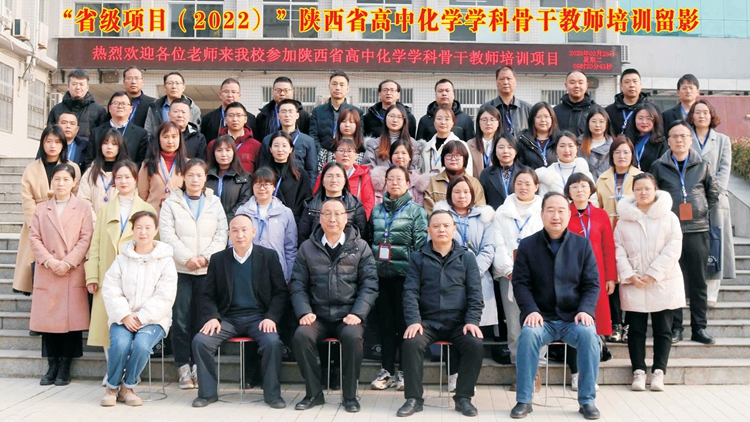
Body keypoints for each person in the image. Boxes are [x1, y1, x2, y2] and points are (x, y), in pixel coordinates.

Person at [509, 192, 601, 420]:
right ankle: (524, 400)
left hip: (573, 318)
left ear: (569, 215)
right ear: (541, 214)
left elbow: (592, 284)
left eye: (561, 211)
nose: (556, 216)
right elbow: (520, 284)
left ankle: (587, 400)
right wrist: (531, 310)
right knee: (528, 335)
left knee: (589, 335)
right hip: (542, 318)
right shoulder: (528, 246)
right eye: (550, 210)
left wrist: (585, 310)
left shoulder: (582, 245)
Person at [290, 199, 379, 413]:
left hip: (348, 315)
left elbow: (370, 285)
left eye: (338, 214)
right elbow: (297, 284)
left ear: (346, 218)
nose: (332, 218)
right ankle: (313, 394)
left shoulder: (360, 247)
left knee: (352, 338)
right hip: (317, 316)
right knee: (301, 336)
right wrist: (304, 312)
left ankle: (349, 396)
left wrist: (358, 313)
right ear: (320, 218)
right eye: (327, 214)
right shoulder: (307, 248)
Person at [191, 214, 288, 408]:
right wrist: (212, 317)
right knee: (201, 341)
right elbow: (207, 295)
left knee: (272, 343)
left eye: (244, 230)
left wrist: (271, 317)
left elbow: (280, 292)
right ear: (229, 234)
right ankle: (207, 394)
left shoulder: (268, 256)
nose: (240, 235)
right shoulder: (219, 259)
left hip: (259, 318)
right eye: (235, 230)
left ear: (253, 232)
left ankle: (272, 395)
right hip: (228, 318)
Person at [397, 210, 485, 417]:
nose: (441, 230)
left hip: (458, 322)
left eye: (446, 225)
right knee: (411, 343)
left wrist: (472, 321)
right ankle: (414, 399)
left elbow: (475, 294)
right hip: (427, 321)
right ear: (429, 230)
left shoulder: (467, 258)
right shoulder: (418, 258)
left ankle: (463, 398)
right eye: (436, 226)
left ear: (454, 229)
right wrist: (414, 320)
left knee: (475, 343)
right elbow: (410, 292)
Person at [85, 160, 157, 384]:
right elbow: (95, 244)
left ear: (136, 179)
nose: (123, 181)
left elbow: (155, 247)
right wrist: (92, 275)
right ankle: (113, 370)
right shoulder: (105, 210)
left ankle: (131, 372)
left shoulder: (147, 209)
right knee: (108, 325)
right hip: (109, 276)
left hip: (138, 278)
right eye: (119, 177)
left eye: (128, 177)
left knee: (134, 325)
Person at [159, 159, 229, 388]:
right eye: (190, 175)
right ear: (183, 177)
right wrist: (186, 258)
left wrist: (205, 257)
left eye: (199, 175)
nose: (195, 179)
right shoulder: (171, 203)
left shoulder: (214, 202)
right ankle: (183, 367)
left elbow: (222, 234)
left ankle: (200, 366)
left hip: (207, 271)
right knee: (180, 320)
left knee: (203, 319)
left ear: (205, 178)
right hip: (180, 270)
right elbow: (167, 234)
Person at [650, 121, 719, 345]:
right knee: (673, 280)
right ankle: (676, 328)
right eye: (674, 136)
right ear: (668, 141)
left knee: (698, 281)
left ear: (690, 140)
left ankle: (699, 328)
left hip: (698, 230)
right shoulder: (658, 166)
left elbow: (713, 193)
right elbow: (653, 196)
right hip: (670, 232)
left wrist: (702, 212)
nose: (679, 140)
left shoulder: (703, 165)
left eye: (683, 136)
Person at [613, 173, 684, 392]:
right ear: (632, 191)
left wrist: (653, 273)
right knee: (635, 330)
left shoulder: (669, 217)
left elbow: (674, 248)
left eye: (647, 188)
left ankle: (659, 372)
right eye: (638, 189)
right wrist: (629, 274)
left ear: (655, 190)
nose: (643, 193)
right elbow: (618, 249)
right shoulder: (624, 219)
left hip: (662, 281)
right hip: (634, 281)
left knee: (663, 329)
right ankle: (638, 371)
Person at [100, 211, 177, 406]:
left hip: (154, 319)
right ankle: (112, 387)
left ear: (156, 230)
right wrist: (125, 315)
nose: (143, 232)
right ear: (132, 230)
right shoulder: (121, 259)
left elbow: (165, 295)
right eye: (139, 228)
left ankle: (128, 387)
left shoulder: (165, 260)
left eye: (148, 227)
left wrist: (141, 318)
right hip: (123, 317)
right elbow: (111, 289)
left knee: (142, 345)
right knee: (120, 344)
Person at [29, 163, 93, 386]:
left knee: (70, 322)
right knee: (49, 321)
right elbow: (34, 237)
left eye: (66, 179)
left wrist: (68, 262)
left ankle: (65, 365)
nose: (61, 183)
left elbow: (85, 238)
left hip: (71, 270)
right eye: (57, 179)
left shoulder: (83, 208)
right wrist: (49, 260)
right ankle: (52, 364)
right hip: (48, 269)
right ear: (51, 181)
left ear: (74, 182)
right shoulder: (41, 208)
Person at [368, 165, 428, 391]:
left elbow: (421, 246)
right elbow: (371, 240)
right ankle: (386, 370)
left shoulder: (417, 211)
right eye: (390, 179)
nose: (394, 183)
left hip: (406, 278)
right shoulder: (376, 211)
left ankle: (403, 371)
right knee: (385, 324)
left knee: (404, 324)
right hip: (381, 277)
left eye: (399, 179)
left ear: (407, 184)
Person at [434, 176, 497, 360]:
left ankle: (469, 371)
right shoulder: (441, 216)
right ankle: (452, 371)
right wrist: (454, 272)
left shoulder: (484, 218)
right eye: (457, 191)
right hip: (449, 278)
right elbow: (435, 244)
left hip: (478, 277)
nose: (462, 195)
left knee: (472, 328)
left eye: (466, 192)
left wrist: (473, 272)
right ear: (449, 194)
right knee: (452, 325)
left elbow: (488, 248)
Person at [13, 126, 81, 294]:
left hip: (63, 224)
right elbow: (27, 198)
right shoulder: (31, 168)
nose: (52, 145)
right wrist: (36, 223)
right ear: (42, 144)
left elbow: (75, 196)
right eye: (48, 141)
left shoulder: (72, 167)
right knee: (36, 267)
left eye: (57, 142)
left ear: (63, 144)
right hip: (36, 224)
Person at [564, 173, 617, 390]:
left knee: (593, 328)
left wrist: (611, 277)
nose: (579, 190)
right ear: (568, 191)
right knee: (573, 323)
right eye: (575, 187)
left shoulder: (600, 215)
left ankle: (590, 374)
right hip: (569, 277)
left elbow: (608, 247)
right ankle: (575, 373)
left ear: (591, 190)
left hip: (596, 278)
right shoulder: (563, 213)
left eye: (584, 186)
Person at [491, 168, 544, 384]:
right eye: (519, 183)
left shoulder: (543, 210)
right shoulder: (501, 212)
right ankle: (519, 369)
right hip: (510, 276)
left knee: (537, 322)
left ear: (536, 186)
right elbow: (498, 244)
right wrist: (509, 270)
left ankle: (536, 369)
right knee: (514, 326)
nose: (523, 187)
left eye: (528, 183)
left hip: (538, 277)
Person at [595, 135, 642, 342]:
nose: (622, 156)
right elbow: (598, 207)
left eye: (626, 152)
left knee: (630, 278)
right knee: (611, 278)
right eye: (617, 152)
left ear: (632, 155)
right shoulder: (602, 178)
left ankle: (630, 324)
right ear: (611, 155)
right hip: (608, 235)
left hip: (633, 234)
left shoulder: (640, 177)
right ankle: (615, 323)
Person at [688, 99, 735, 295]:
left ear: (711, 115)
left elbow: (724, 169)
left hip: (716, 199)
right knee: (693, 244)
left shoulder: (722, 140)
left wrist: (712, 193)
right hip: (691, 199)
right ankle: (692, 289)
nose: (701, 116)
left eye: (705, 112)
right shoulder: (685, 137)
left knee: (716, 242)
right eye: (697, 112)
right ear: (691, 116)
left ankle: (712, 292)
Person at [235, 167, 298, 282]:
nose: (262, 188)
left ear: (274, 187)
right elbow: (233, 244)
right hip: (247, 271)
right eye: (258, 184)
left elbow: (290, 248)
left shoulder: (285, 213)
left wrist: (289, 278)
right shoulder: (242, 211)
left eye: (267, 184)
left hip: (277, 272)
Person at [299, 162, 368, 245]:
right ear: (322, 181)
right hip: (316, 251)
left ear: (345, 180)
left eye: (338, 176)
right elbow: (303, 238)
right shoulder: (311, 206)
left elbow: (363, 237)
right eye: (329, 176)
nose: (334, 180)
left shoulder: (355, 205)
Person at [258, 98, 317, 187]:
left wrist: (308, 192)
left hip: (298, 187)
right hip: (273, 186)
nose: (287, 115)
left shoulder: (307, 141)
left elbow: (311, 171)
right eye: (283, 111)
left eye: (290, 111)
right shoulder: (268, 140)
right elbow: (262, 168)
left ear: (297, 115)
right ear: (278, 116)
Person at [313, 138, 375, 218]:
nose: (345, 154)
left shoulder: (363, 176)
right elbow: (316, 197)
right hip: (327, 218)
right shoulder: (325, 174)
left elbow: (368, 204)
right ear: (335, 154)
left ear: (356, 155)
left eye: (349, 151)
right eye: (341, 150)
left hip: (353, 220)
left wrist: (362, 221)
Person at [310, 70, 363, 161]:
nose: (338, 88)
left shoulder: (357, 112)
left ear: (347, 88)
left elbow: (359, 136)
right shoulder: (318, 111)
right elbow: (313, 136)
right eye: (334, 84)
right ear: (329, 87)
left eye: (342, 85)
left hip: (349, 158)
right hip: (323, 158)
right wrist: (323, 155)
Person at [79, 129, 129, 222]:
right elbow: (83, 199)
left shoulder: (128, 172)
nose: (109, 147)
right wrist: (95, 222)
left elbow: (130, 199)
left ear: (120, 147)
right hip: (93, 224)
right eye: (105, 143)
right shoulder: (90, 172)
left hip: (119, 224)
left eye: (114, 144)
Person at [90, 91, 151, 169]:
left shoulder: (140, 134)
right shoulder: (96, 132)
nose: (120, 106)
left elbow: (141, 161)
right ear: (109, 108)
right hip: (101, 174)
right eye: (116, 103)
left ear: (131, 109)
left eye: (124, 104)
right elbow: (89, 160)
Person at [137, 121, 187, 214]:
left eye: (174, 137)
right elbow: (142, 195)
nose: (170, 141)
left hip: (179, 215)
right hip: (153, 215)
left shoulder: (188, 164)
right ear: (159, 140)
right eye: (165, 137)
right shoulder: (148, 164)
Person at [424, 141, 486, 214]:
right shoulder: (432, 182)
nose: (453, 159)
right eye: (449, 155)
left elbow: (480, 209)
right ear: (443, 158)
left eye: (457, 155)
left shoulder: (474, 183)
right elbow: (429, 210)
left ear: (464, 159)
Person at [47, 68, 108, 141]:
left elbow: (103, 137)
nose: (78, 87)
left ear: (87, 87)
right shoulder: (57, 110)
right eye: (74, 84)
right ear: (68, 86)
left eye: (81, 84)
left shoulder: (99, 111)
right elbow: (49, 135)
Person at [266, 131, 313, 222]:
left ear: (291, 149)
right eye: (276, 146)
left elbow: (305, 200)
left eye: (284, 146)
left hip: (292, 221)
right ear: (270, 149)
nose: (280, 149)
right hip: (268, 220)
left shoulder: (300, 174)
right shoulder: (264, 173)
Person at [205, 135, 252, 222]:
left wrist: (225, 221)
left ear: (234, 152)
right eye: (219, 150)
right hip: (208, 223)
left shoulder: (244, 178)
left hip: (233, 224)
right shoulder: (205, 176)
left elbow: (243, 204)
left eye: (228, 150)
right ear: (214, 153)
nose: (223, 154)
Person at [363, 103, 423, 172]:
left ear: (404, 120)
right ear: (385, 119)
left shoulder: (413, 144)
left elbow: (415, 171)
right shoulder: (374, 144)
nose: (395, 120)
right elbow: (368, 168)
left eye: (399, 117)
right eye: (391, 116)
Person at [535, 131, 594, 199]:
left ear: (577, 149)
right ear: (556, 149)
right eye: (562, 146)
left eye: (570, 146)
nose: (566, 150)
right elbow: (543, 201)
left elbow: (593, 199)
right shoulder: (547, 175)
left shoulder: (584, 172)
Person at [370, 139, 431, 206]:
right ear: (391, 157)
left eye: (404, 153)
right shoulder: (381, 181)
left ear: (410, 157)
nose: (400, 156)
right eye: (396, 153)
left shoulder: (417, 183)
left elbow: (420, 208)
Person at [207, 102, 261, 175]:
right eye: (231, 115)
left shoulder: (256, 145)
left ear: (245, 119)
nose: (235, 119)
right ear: (225, 119)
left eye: (239, 115)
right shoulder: (213, 144)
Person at [420, 106, 474, 176]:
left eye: (447, 119)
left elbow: (468, 173)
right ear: (434, 122)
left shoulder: (462, 146)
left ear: (453, 122)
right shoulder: (426, 147)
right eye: (439, 119)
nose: (443, 122)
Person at [144, 72, 202, 137]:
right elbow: (148, 132)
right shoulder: (154, 107)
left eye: (177, 83)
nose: (174, 86)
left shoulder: (193, 108)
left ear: (183, 87)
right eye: (170, 83)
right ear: (164, 87)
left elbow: (195, 134)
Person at [480, 132, 528, 209]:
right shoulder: (486, 174)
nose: (505, 151)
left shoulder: (526, 172)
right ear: (495, 151)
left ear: (516, 151)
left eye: (510, 147)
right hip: (495, 215)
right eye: (501, 147)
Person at [201, 78, 256, 143]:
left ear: (239, 96)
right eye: (226, 92)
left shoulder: (251, 118)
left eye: (233, 92)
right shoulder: (208, 118)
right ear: (220, 95)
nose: (230, 95)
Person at [256, 76, 311, 142]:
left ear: (292, 92)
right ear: (273, 92)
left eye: (286, 90)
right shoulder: (263, 116)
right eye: (278, 90)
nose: (282, 93)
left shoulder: (303, 115)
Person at [605, 68, 659, 136]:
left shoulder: (653, 109)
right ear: (621, 86)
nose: (632, 85)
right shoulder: (609, 111)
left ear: (640, 85)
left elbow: (659, 132)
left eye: (635, 81)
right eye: (627, 82)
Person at [482, 66, 532, 136]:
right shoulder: (485, 108)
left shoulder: (527, 109)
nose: (505, 82)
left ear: (515, 82)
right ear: (496, 82)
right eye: (502, 79)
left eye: (509, 78)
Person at [625, 103, 669, 173]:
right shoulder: (627, 141)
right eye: (640, 118)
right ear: (634, 119)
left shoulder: (661, 143)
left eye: (648, 118)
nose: (644, 122)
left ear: (655, 120)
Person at [517, 102, 560, 169]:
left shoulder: (560, 139)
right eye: (538, 117)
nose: (543, 120)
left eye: (546, 116)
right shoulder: (523, 140)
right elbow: (519, 166)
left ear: (552, 118)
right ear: (532, 119)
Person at [554, 71, 596, 137]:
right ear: (566, 85)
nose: (576, 86)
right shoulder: (555, 111)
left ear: (586, 86)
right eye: (572, 83)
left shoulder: (596, 110)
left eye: (580, 83)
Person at [578, 106, 616, 179]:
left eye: (601, 122)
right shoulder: (578, 144)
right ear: (588, 123)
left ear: (607, 123)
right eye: (593, 121)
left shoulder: (614, 146)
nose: (597, 125)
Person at [468, 105, 502, 175]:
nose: (488, 123)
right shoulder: (469, 144)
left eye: (492, 119)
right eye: (484, 120)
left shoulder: (503, 144)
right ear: (478, 122)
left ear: (498, 122)